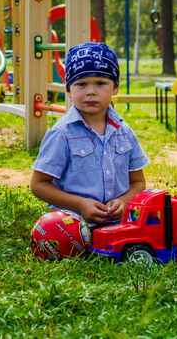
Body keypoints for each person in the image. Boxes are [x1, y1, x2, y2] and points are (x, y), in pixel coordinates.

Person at [30, 42, 149, 226]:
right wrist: (80, 204)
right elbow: (38, 184)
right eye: (81, 84)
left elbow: (138, 182)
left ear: (115, 88)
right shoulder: (61, 133)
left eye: (101, 83)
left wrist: (124, 202)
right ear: (69, 90)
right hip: (73, 226)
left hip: (121, 224)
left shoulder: (124, 132)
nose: (91, 92)